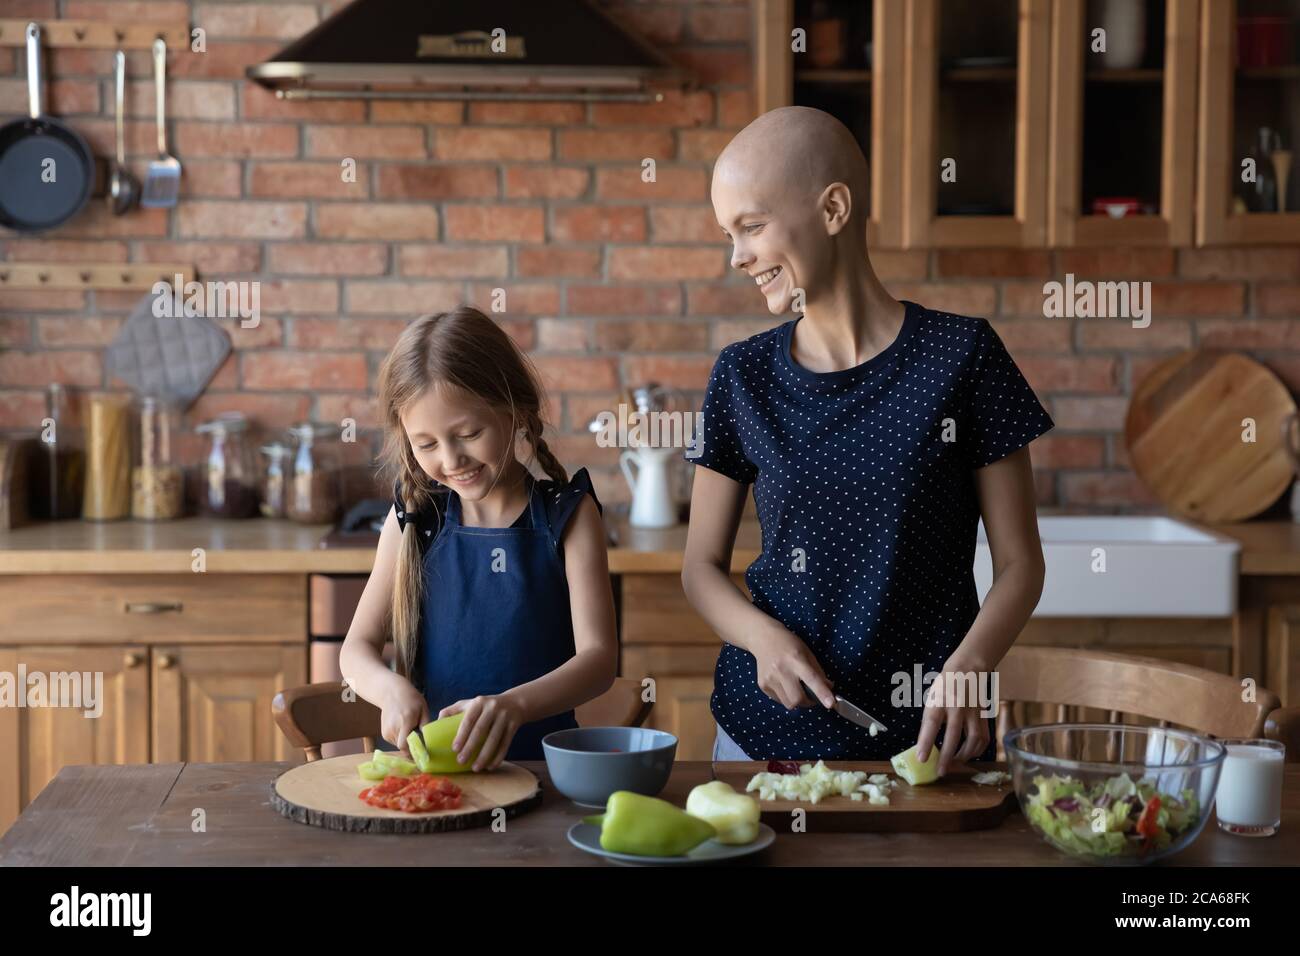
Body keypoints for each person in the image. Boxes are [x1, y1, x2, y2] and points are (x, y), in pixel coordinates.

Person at [682, 107, 1052, 773]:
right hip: (763, 737)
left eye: (752, 227)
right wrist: (761, 640)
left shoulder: (964, 357)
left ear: (832, 209)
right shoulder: (742, 376)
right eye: (728, 235)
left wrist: (970, 667)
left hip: (930, 742)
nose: (737, 257)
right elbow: (699, 567)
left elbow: (1022, 564)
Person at [341, 306, 618, 769]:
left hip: (539, 778)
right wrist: (388, 688)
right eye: (426, 444)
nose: (451, 460)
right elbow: (356, 649)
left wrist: (514, 705)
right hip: (431, 780)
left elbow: (599, 660)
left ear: (516, 412)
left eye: (469, 433)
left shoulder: (568, 517)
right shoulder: (413, 518)